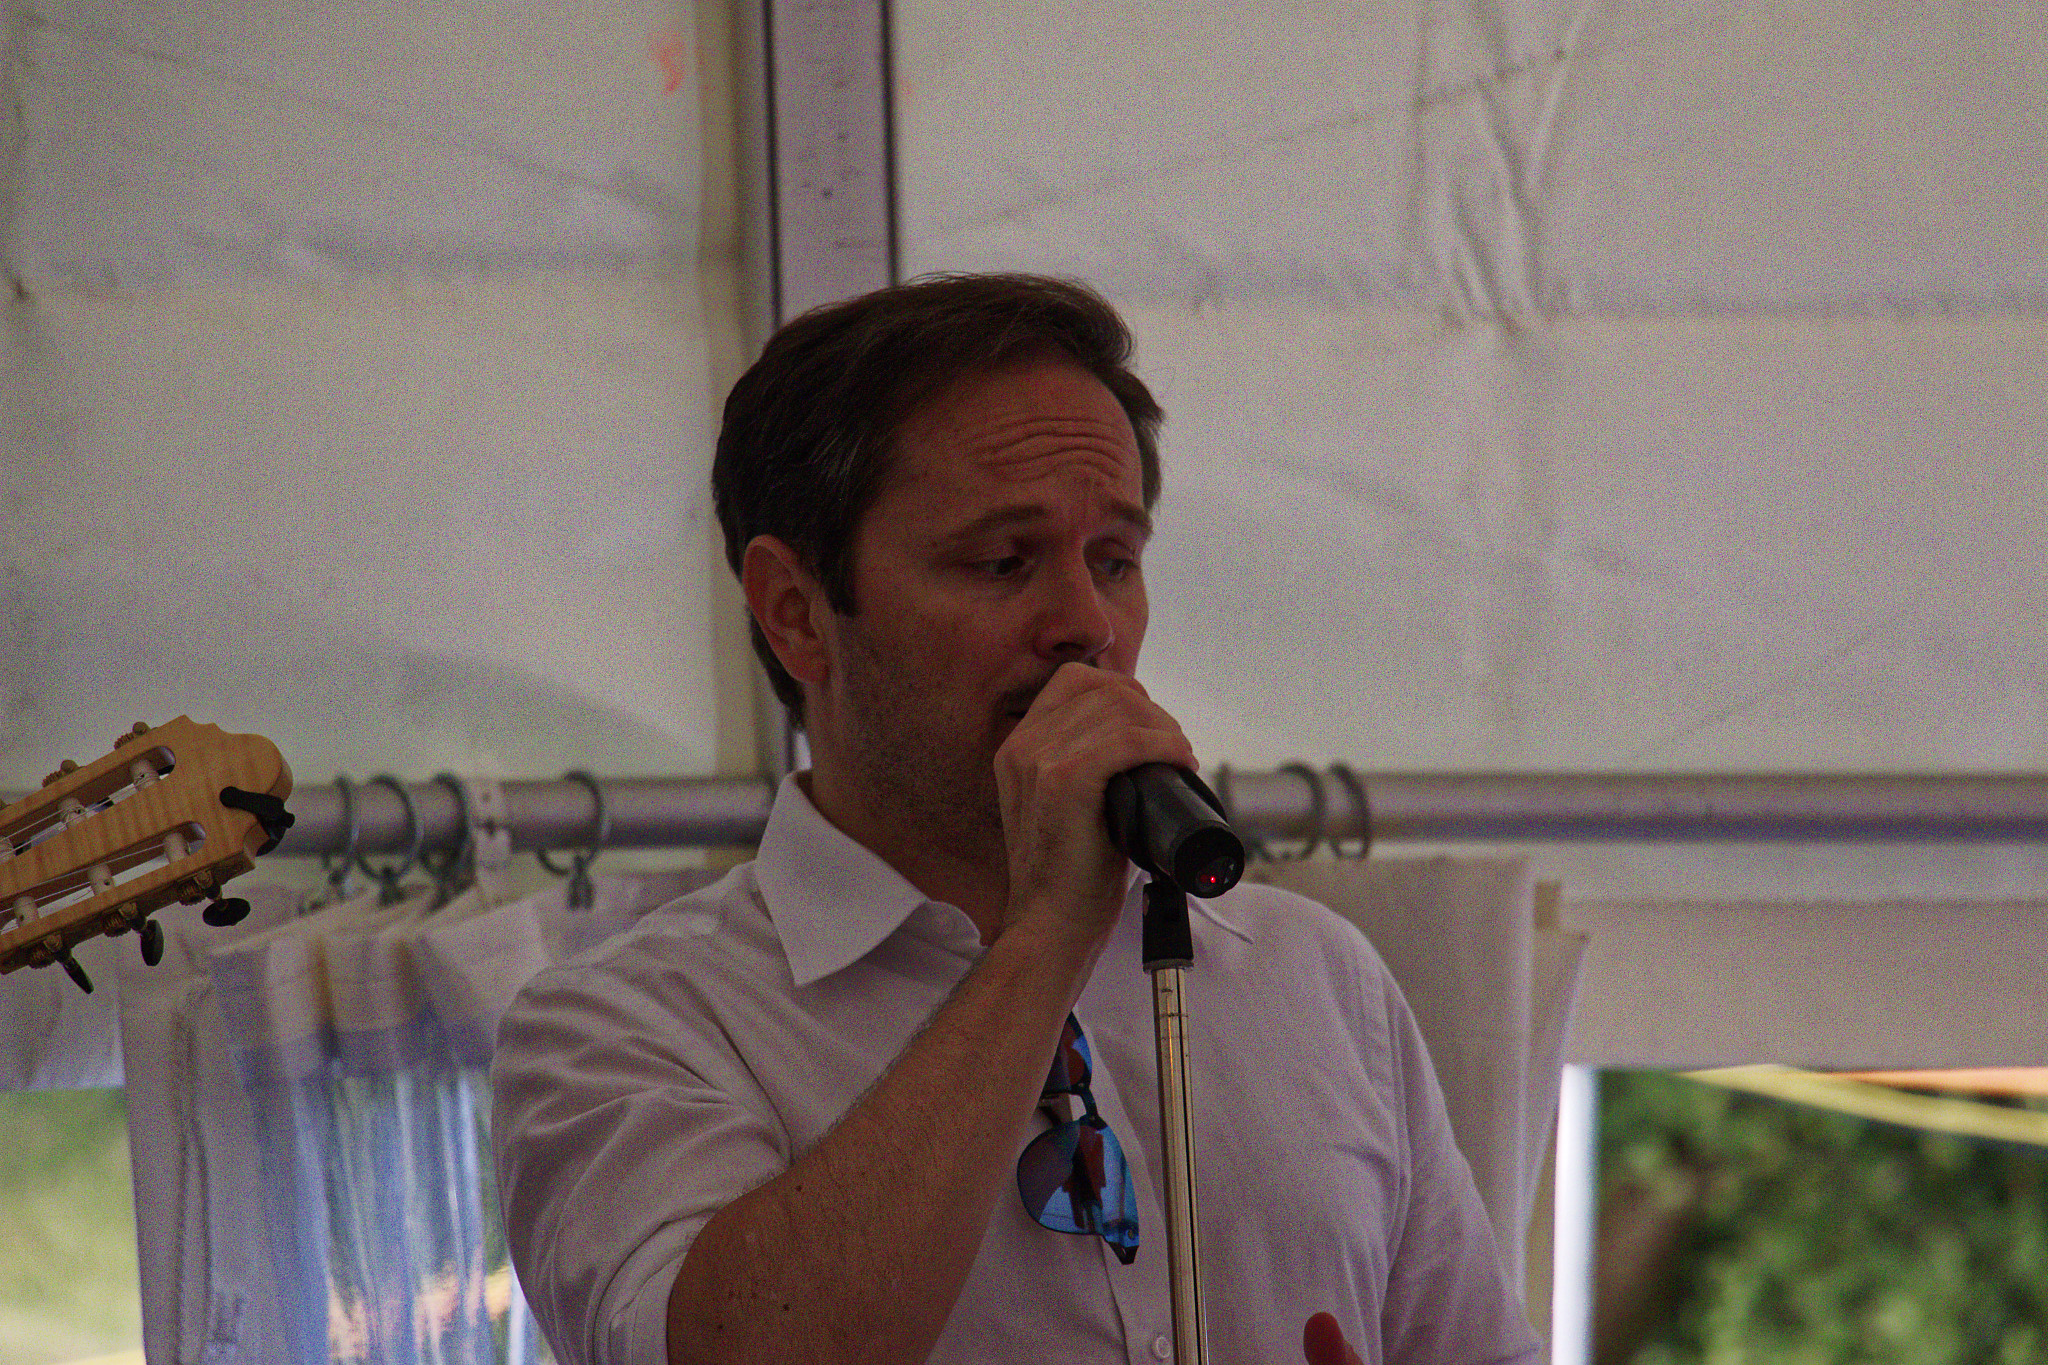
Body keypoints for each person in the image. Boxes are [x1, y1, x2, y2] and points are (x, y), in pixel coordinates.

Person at [491, 273, 1542, 1365]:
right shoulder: (622, 1027)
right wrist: (1042, 941)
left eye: (1114, 561)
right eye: (1002, 562)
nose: (1086, 623)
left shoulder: (1312, 974)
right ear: (797, 614)